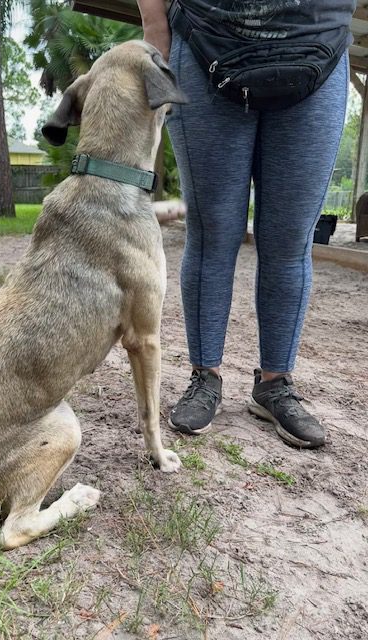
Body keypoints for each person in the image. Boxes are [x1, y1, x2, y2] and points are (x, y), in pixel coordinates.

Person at [137, 0, 356, 447]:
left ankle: (275, 383)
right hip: (205, 45)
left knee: (290, 239)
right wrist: (155, 27)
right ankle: (205, 375)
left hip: (318, 47)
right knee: (213, 230)